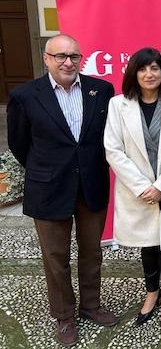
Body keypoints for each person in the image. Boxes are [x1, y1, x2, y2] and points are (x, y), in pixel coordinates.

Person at [7, 34, 117, 346]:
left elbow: (107, 135)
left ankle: (91, 305)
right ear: (46, 59)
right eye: (60, 56)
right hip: (48, 186)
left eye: (74, 56)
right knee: (55, 256)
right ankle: (64, 314)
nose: (68, 62)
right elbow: (19, 143)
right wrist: (47, 167)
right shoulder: (25, 96)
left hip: (91, 183)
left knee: (92, 251)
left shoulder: (102, 90)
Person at [103, 47, 161, 334]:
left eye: (155, 68)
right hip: (137, 190)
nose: (149, 74)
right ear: (133, 72)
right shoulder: (118, 105)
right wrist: (144, 187)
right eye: (143, 68)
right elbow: (113, 150)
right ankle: (151, 292)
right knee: (147, 244)